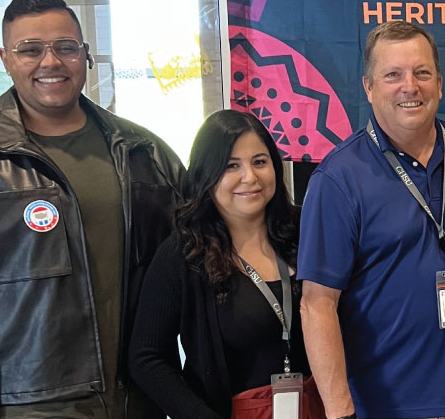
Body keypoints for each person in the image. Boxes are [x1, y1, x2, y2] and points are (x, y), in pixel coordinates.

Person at [0, 0, 185, 418]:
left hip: (138, 403)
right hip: (29, 408)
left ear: (85, 55)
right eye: (30, 49)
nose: (50, 62)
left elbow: (200, 272)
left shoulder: (145, 154)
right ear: (5, 58)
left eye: (65, 48)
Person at [297, 21, 445, 419]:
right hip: (381, 407)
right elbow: (316, 305)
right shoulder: (337, 179)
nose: (410, 86)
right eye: (393, 75)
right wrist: (341, 413)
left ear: (439, 83)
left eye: (422, 73)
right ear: (369, 88)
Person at [127, 110, 315, 418]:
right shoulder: (184, 252)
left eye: (259, 161)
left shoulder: (305, 231)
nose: (250, 178)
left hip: (316, 406)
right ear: (206, 174)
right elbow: (147, 357)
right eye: (231, 166)